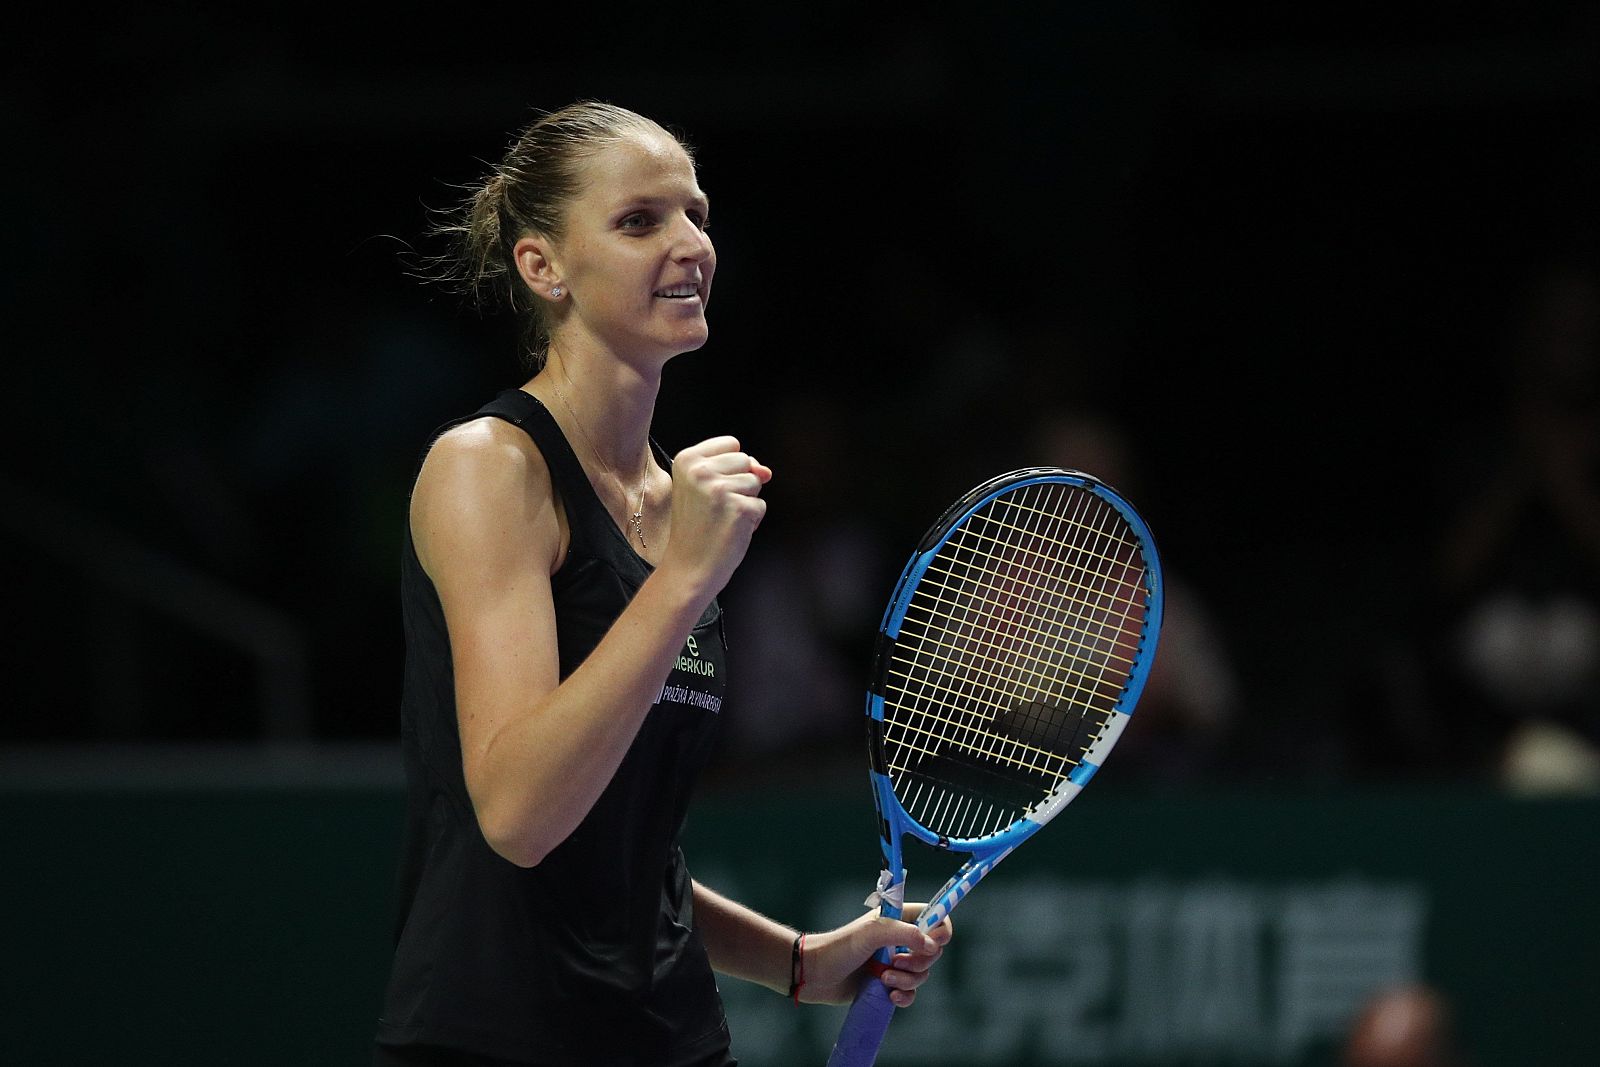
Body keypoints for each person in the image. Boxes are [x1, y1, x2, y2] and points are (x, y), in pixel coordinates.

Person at [372, 102, 952, 1067]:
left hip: (672, 1040)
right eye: (640, 221)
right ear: (541, 266)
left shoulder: (669, 499)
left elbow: (625, 841)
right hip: (495, 1041)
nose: (690, 244)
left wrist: (800, 962)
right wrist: (683, 577)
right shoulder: (491, 469)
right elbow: (519, 815)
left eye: (697, 214)